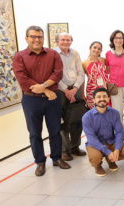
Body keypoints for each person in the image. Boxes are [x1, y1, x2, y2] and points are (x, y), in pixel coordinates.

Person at [13, 25, 70, 176]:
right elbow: (22, 79)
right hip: (31, 100)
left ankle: (57, 158)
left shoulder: (53, 54)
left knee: (55, 130)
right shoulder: (19, 56)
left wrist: (44, 86)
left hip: (52, 99)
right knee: (34, 133)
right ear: (27, 38)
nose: (36, 39)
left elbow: (58, 73)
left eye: (39, 37)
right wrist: (46, 90)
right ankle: (40, 162)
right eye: (33, 36)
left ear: (43, 38)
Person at [82, 87, 124, 177]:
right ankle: (97, 166)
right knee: (95, 157)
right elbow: (92, 139)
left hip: (110, 141)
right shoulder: (87, 117)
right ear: (94, 100)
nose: (102, 99)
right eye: (99, 97)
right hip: (95, 143)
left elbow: (119, 132)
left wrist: (117, 149)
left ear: (108, 99)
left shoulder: (115, 113)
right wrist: (108, 152)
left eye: (104, 96)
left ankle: (111, 160)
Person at [54, 32, 86, 161]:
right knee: (63, 119)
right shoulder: (53, 54)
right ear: (57, 41)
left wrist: (75, 89)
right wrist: (66, 91)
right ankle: (65, 149)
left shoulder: (75, 53)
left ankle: (75, 146)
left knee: (77, 118)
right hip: (60, 90)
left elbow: (81, 73)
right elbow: (53, 75)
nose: (66, 42)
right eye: (63, 40)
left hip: (75, 88)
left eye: (68, 40)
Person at [83, 41, 110, 109]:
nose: (96, 50)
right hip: (92, 91)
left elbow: (108, 72)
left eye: (99, 49)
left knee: (106, 110)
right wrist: (82, 94)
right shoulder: (84, 63)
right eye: (94, 47)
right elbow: (82, 80)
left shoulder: (103, 60)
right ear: (90, 48)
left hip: (104, 90)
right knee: (94, 111)